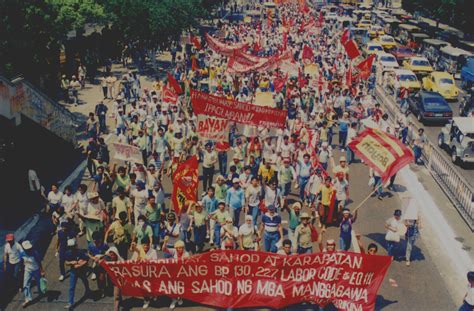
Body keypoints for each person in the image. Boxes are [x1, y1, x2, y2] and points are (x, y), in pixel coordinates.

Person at [64, 238, 90, 310]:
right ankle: (70, 302)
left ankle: (88, 290)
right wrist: (71, 263)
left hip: (81, 270)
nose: (72, 249)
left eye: (73, 247)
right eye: (70, 247)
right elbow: (66, 262)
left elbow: (86, 260)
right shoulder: (67, 253)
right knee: (72, 287)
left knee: (85, 280)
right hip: (73, 271)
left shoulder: (80, 252)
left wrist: (80, 265)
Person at [20, 240, 45, 308]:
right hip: (27, 270)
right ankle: (27, 299)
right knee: (25, 284)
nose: (28, 250)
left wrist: (42, 271)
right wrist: (21, 268)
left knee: (39, 282)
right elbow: (22, 261)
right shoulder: (22, 253)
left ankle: (41, 292)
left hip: (36, 270)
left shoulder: (35, 253)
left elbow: (39, 262)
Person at [87, 231, 109, 296]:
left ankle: (104, 290)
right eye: (94, 239)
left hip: (102, 263)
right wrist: (93, 258)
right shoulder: (91, 245)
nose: (95, 241)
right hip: (96, 264)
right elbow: (89, 253)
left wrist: (101, 256)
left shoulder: (104, 245)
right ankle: (100, 289)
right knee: (98, 279)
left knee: (102, 277)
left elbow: (108, 253)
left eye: (96, 240)